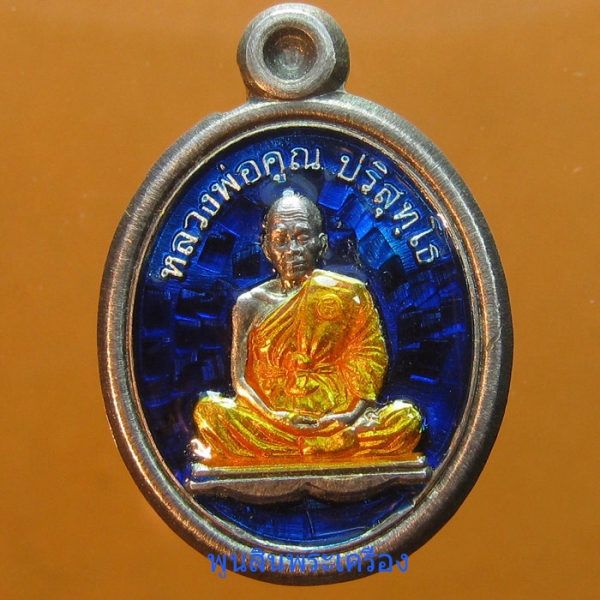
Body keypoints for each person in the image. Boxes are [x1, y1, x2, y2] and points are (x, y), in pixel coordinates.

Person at [191, 190, 422, 467]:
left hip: (337, 415)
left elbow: (369, 358)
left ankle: (319, 443)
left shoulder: (350, 293)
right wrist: (276, 417)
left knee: (406, 418)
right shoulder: (249, 304)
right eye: (281, 240)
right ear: (266, 247)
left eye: (302, 238)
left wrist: (349, 416)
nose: (292, 250)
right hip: (272, 420)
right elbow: (240, 382)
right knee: (209, 411)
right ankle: (325, 446)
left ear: (321, 244)